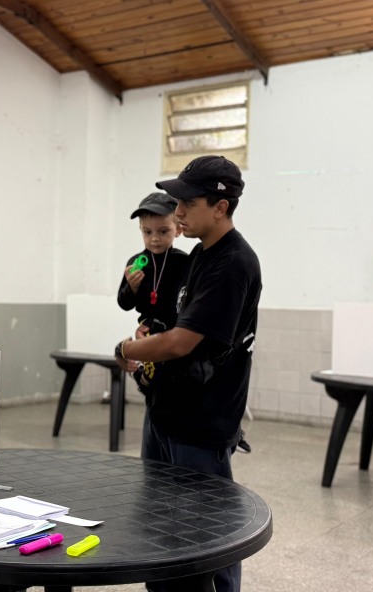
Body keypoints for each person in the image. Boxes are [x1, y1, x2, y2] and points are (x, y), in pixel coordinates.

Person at [113, 155, 262, 592]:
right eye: (176, 203)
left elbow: (182, 341)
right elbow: (177, 321)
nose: (176, 213)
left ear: (220, 206)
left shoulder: (233, 263)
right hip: (166, 410)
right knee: (161, 519)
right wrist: (150, 329)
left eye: (187, 204)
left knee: (209, 530)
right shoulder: (199, 254)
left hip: (202, 421)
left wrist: (127, 349)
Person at [117, 191, 189, 393]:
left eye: (163, 231)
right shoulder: (136, 263)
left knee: (173, 383)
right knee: (152, 384)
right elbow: (124, 303)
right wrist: (131, 287)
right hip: (148, 330)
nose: (154, 239)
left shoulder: (184, 262)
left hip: (175, 332)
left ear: (178, 230)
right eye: (147, 232)